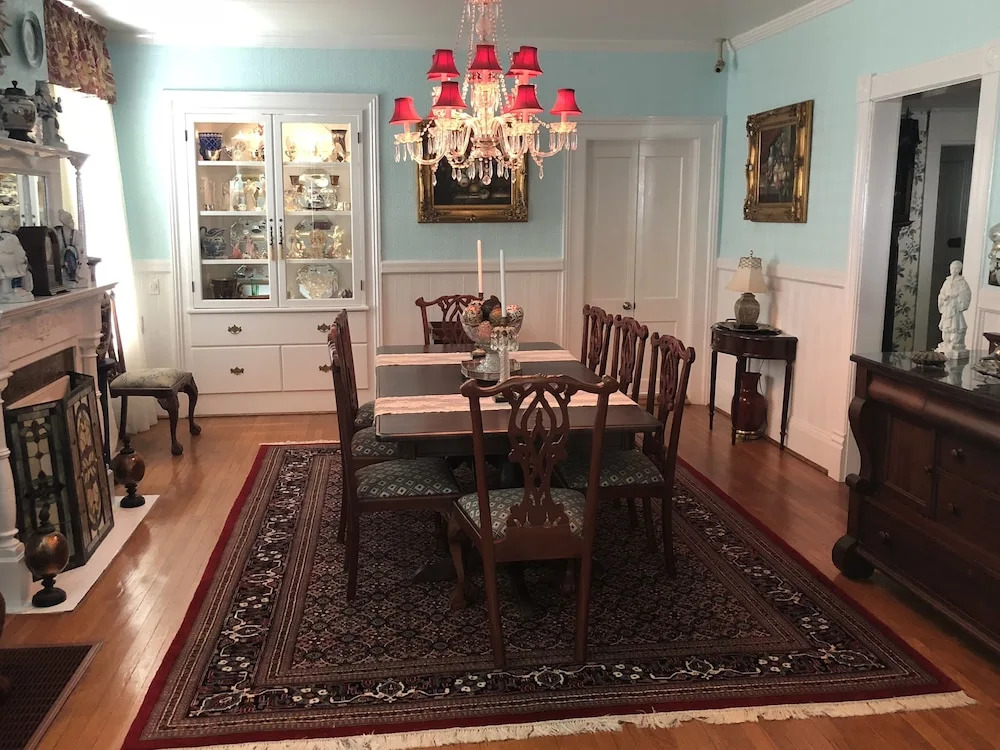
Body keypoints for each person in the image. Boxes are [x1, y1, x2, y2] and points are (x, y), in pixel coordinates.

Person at [937, 260, 972, 359]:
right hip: (947, 306)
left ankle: (954, 343)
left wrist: (957, 297)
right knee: (946, 326)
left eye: (956, 268)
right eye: (952, 268)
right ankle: (946, 342)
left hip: (955, 308)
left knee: (955, 325)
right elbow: (941, 294)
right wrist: (944, 297)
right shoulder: (947, 282)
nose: (954, 270)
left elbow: (966, 294)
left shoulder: (962, 282)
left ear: (959, 270)